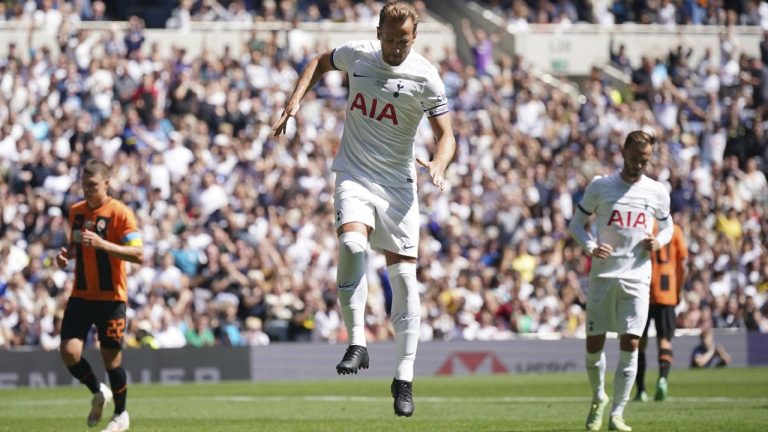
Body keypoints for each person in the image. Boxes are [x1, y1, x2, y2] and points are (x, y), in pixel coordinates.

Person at [272, 1, 455, 418]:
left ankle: (404, 379)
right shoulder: (358, 54)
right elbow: (319, 61)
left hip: (399, 185)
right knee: (353, 246)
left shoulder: (426, 76)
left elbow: (447, 135)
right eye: (389, 39)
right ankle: (357, 341)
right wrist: (295, 101)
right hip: (354, 174)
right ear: (378, 33)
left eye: (402, 41)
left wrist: (440, 162)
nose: (394, 48)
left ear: (415, 38)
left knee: (405, 278)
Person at [568, 131, 672, 432]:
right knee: (594, 344)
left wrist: (659, 241)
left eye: (645, 160)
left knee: (632, 342)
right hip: (603, 275)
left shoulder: (656, 191)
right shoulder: (601, 186)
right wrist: (590, 247)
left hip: (638, 276)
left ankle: (617, 414)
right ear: (623, 151)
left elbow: (668, 227)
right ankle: (598, 397)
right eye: (635, 158)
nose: (640, 165)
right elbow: (576, 224)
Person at [56, 159, 143, 432]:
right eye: (84, 185)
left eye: (92, 185)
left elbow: (138, 254)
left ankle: (121, 414)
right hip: (81, 294)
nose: (87, 190)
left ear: (107, 183)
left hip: (111, 299)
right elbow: (75, 246)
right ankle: (98, 391)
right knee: (69, 353)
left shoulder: (120, 213)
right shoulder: (76, 212)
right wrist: (64, 256)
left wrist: (104, 243)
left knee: (111, 359)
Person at [635, 222, 688, 402]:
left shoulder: (643, 225)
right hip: (667, 291)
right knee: (664, 341)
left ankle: (640, 390)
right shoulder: (675, 229)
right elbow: (683, 264)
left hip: (643, 289)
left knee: (638, 342)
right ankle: (663, 380)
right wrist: (678, 290)